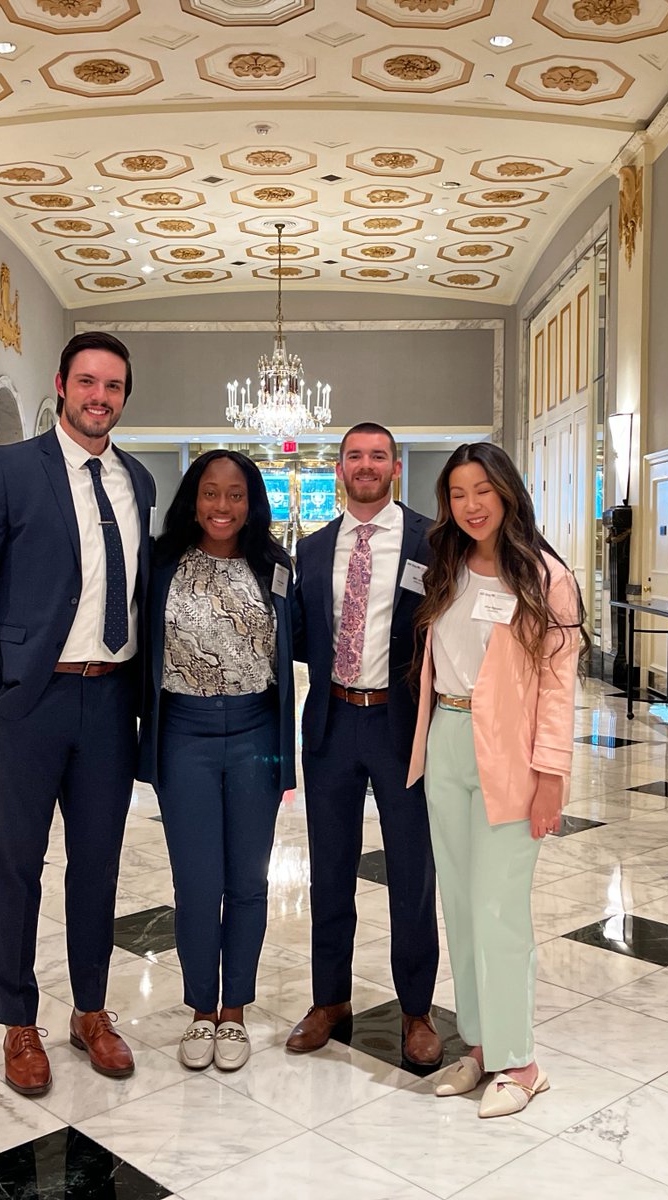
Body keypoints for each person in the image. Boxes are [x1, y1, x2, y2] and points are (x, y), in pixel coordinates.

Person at [0, 331, 156, 1097]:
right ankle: (19, 1020)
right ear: (63, 384)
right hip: (31, 701)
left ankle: (91, 1011)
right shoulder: (7, 470)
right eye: (88, 382)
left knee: (97, 868)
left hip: (111, 701)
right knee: (18, 866)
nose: (101, 397)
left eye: (115, 386)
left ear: (125, 396)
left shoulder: (137, 481)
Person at [407, 441, 583, 1119]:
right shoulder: (446, 567)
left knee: (500, 909)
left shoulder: (544, 576)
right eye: (457, 493)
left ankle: (523, 1062)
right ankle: (480, 1048)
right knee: (459, 903)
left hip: (510, 754)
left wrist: (551, 775)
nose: (471, 505)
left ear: (507, 492)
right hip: (446, 744)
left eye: (483, 490)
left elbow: (558, 687)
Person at [285, 422, 442, 1067]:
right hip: (331, 723)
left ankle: (416, 1011)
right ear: (339, 469)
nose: (367, 465)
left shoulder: (436, 541)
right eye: (355, 456)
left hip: (402, 726)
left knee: (412, 874)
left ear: (395, 466)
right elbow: (297, 636)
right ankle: (330, 1000)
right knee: (329, 873)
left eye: (378, 456)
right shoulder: (313, 549)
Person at [138, 451, 296, 1072]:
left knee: (249, 881)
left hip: (256, 731)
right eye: (211, 493)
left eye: (236, 495)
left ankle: (235, 1012)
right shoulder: (161, 564)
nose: (223, 507)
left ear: (251, 502)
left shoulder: (274, 565)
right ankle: (202, 1008)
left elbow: (300, 640)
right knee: (197, 881)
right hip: (184, 735)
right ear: (193, 498)